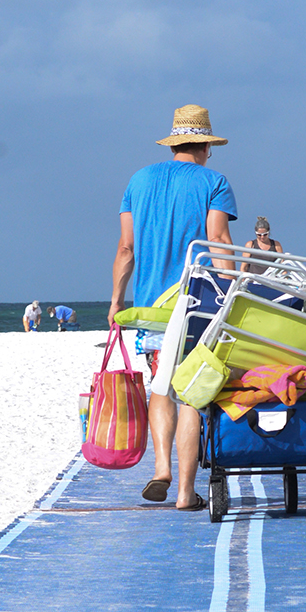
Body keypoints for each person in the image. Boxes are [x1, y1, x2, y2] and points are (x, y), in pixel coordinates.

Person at [110, 104, 237, 510]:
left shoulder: (139, 180)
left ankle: (161, 467)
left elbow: (126, 248)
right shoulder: (214, 181)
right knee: (192, 397)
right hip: (198, 307)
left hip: (152, 308)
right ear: (206, 146)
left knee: (160, 386)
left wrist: (116, 301)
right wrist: (234, 293)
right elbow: (218, 242)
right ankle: (185, 492)